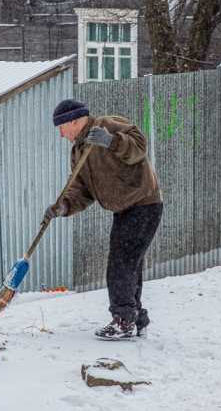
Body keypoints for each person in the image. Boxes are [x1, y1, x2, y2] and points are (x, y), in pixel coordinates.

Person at [42, 99, 163, 339]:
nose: (60, 135)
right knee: (129, 264)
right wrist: (64, 206)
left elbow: (140, 147)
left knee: (121, 264)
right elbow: (80, 188)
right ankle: (135, 318)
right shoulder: (78, 151)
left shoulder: (109, 124)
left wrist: (111, 141)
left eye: (61, 128)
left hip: (143, 203)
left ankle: (123, 322)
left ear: (74, 121)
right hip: (124, 209)